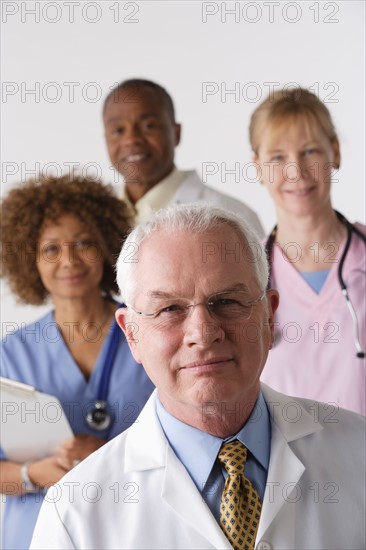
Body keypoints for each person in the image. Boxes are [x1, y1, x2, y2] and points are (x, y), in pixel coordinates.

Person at [30, 204, 365, 550]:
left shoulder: (359, 451)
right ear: (132, 335)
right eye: (170, 309)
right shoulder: (75, 512)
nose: (203, 333)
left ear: (268, 316)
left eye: (227, 301)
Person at [0, 175, 155, 550]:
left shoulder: (151, 332)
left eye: (84, 243)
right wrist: (33, 473)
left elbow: (193, 442)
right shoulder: (11, 354)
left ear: (106, 247)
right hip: (36, 534)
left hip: (135, 527)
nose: (68, 260)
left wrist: (108, 456)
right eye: (51, 249)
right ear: (30, 259)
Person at [249, 88, 366, 415]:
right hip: (282, 463)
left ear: (336, 153)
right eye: (277, 157)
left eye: (311, 151)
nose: (296, 171)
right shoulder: (245, 273)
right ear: (257, 167)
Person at [103, 77, 265, 236]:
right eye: (118, 130)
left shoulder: (232, 215)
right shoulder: (95, 216)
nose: (131, 139)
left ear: (176, 133)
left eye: (149, 125)